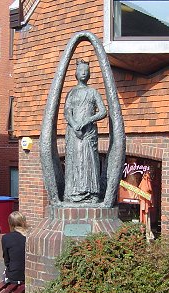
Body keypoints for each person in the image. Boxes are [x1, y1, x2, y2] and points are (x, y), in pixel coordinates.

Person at [63, 59, 107, 204]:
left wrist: (88, 120)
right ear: (76, 73)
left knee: (89, 160)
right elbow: (67, 111)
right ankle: (74, 193)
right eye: (81, 70)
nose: (83, 73)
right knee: (75, 161)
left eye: (86, 71)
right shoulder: (72, 93)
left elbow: (103, 112)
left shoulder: (93, 92)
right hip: (74, 133)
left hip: (89, 133)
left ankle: (91, 193)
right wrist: (75, 124)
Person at [1, 211, 28, 293]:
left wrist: (9, 267)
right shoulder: (29, 237)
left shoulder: (6, 238)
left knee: (6, 275)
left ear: (10, 224)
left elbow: (6, 259)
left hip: (14, 273)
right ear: (23, 222)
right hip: (27, 273)